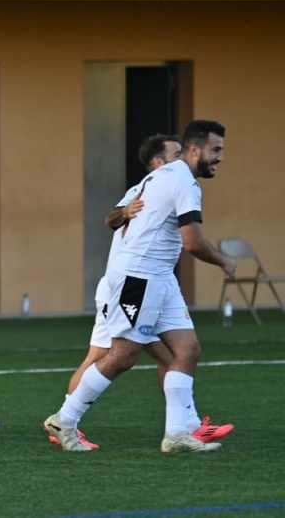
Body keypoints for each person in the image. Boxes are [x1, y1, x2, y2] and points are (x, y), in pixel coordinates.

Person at [45, 120, 236, 453]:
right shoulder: (183, 181)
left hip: (160, 277)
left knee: (186, 350)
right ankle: (65, 419)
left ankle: (177, 433)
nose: (220, 157)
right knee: (122, 356)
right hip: (138, 276)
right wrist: (223, 260)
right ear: (194, 149)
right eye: (215, 149)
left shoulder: (159, 177)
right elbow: (191, 242)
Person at [49, 134, 181, 450]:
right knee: (158, 357)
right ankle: (65, 420)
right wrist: (125, 212)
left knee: (168, 357)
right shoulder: (144, 189)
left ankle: (183, 423)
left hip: (132, 287)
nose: (184, 160)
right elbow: (110, 216)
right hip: (129, 287)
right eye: (177, 154)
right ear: (159, 163)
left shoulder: (170, 187)